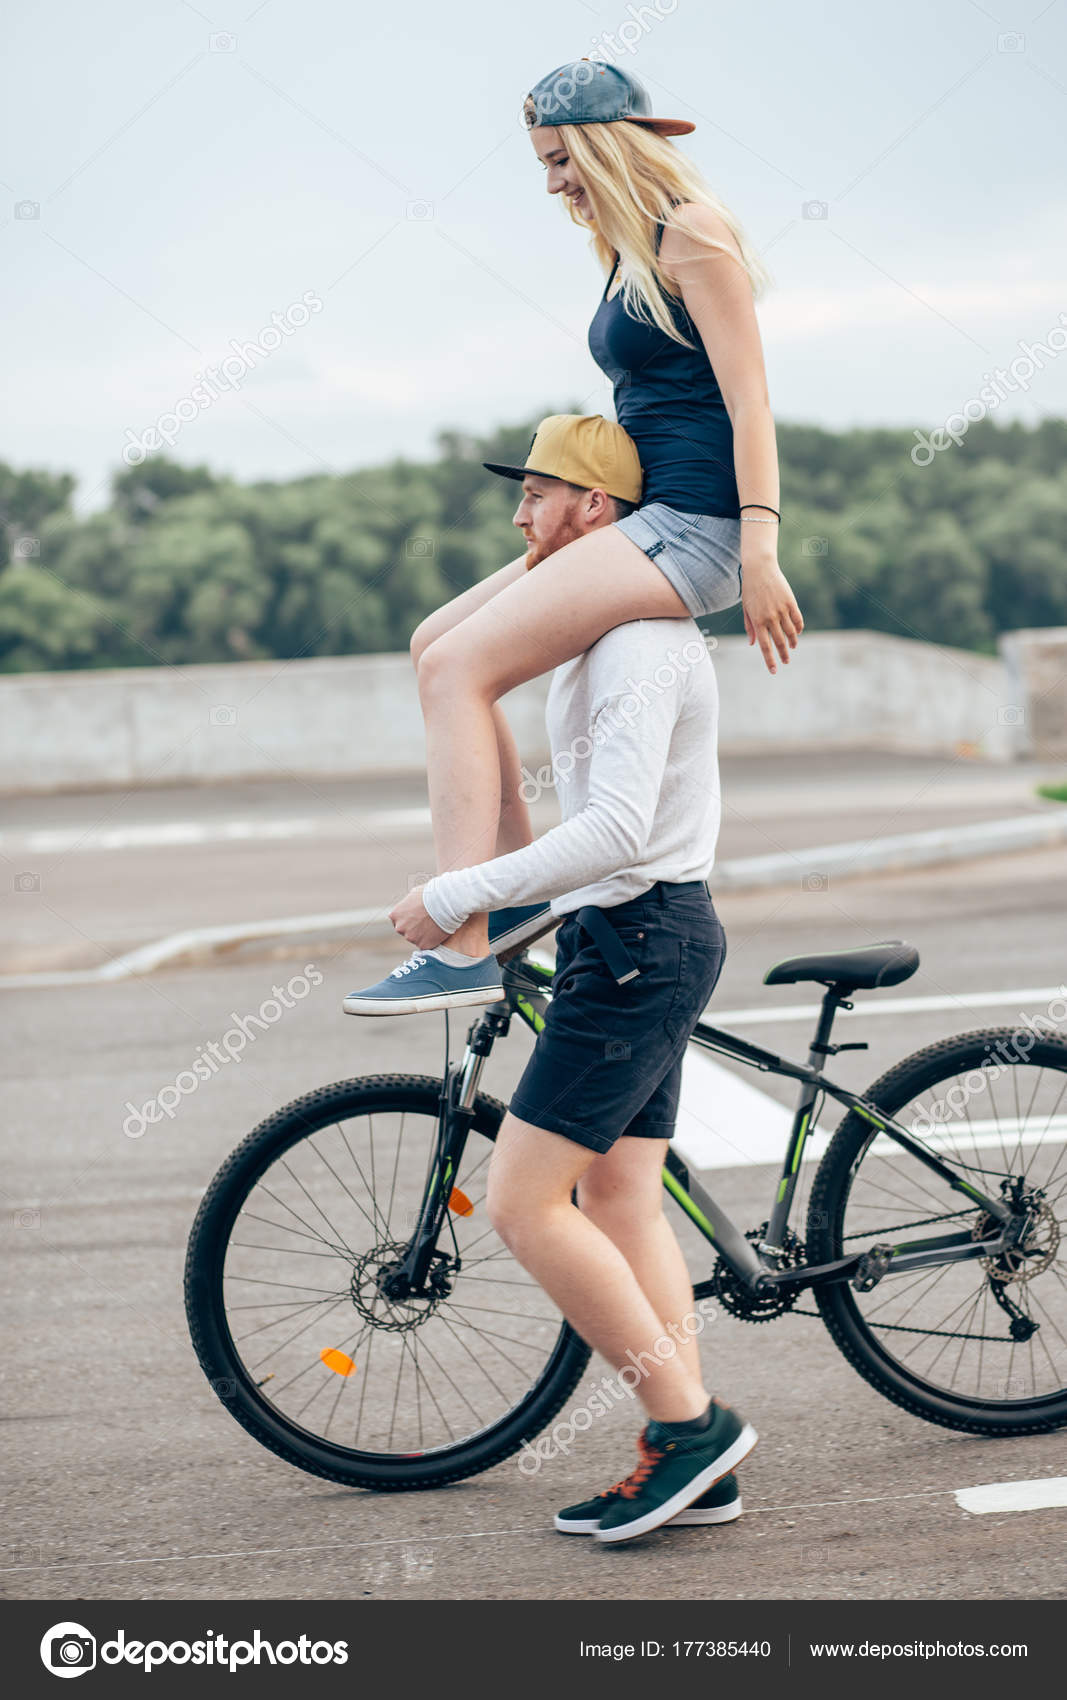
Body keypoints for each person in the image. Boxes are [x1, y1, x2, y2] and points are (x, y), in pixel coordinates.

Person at [347, 421, 756, 1542]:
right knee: (619, 1195)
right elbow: (445, 642)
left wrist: (457, 894)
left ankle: (689, 1429)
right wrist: (503, 896)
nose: (516, 516)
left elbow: (619, 827)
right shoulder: (594, 625)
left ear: (596, 509)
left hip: (641, 938)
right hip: (627, 935)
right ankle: (692, 1459)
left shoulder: (635, 639)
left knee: (529, 1203)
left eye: (536, 495)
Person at [344, 58, 802, 1014]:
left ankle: (466, 936)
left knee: (458, 671)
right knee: (435, 643)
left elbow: (750, 403)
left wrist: (759, 546)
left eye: (561, 161)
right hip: (651, 519)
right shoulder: (629, 250)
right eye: (544, 165)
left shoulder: (693, 235)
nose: (553, 184)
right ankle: (511, 896)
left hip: (697, 526)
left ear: (605, 146)